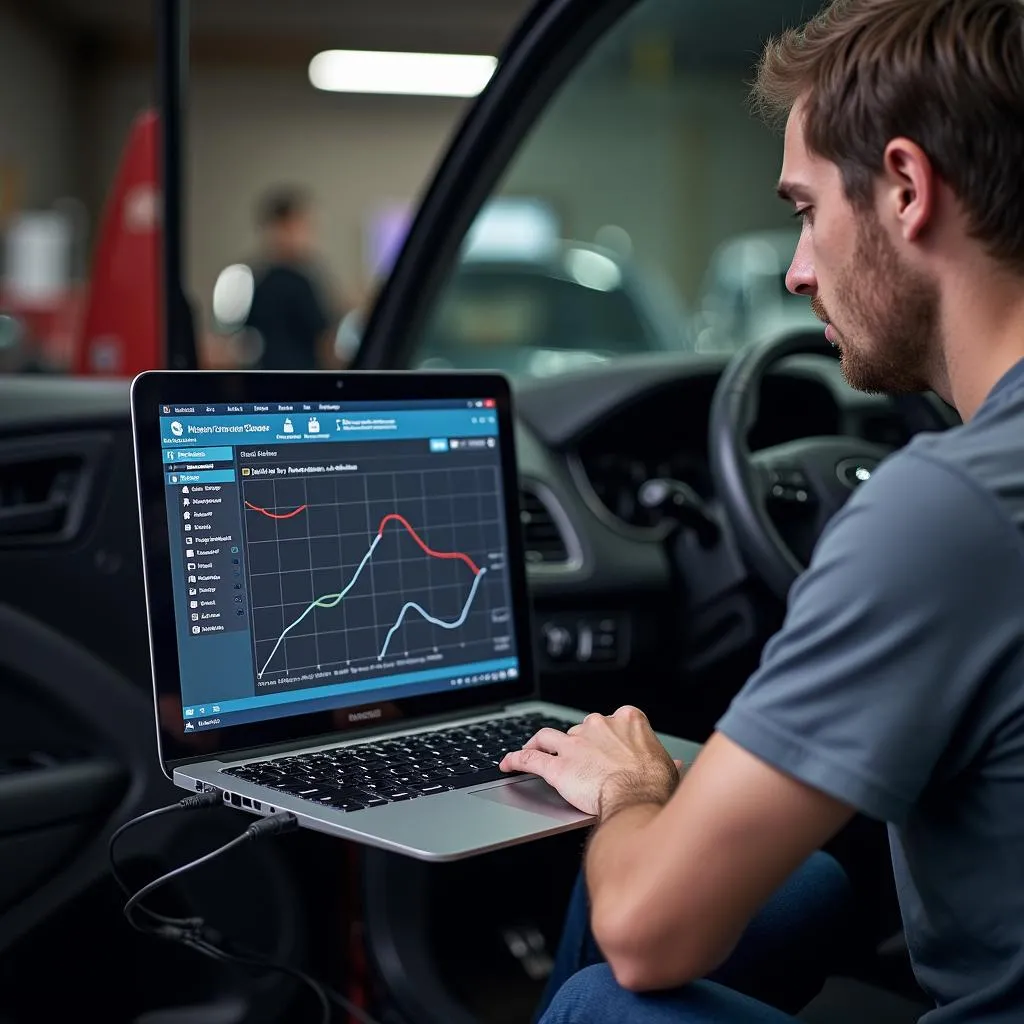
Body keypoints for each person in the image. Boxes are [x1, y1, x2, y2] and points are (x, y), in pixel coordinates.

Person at [501, 1, 1024, 1021]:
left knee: (605, 1005)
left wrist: (631, 795)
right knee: (800, 885)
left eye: (802, 209)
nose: (796, 270)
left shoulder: (944, 509)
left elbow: (648, 934)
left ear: (908, 189)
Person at [244, 186, 336, 370]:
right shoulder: (298, 283)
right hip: (302, 385)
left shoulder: (256, 282)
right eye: (302, 226)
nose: (308, 236)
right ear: (281, 229)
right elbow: (325, 344)